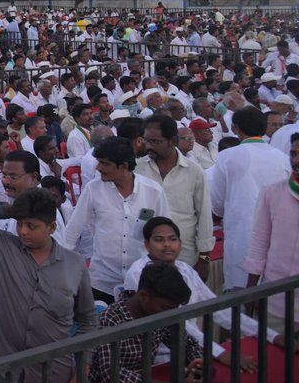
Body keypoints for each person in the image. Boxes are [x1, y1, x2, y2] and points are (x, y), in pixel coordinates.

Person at [0, 188, 97, 383]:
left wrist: (82, 371)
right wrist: (11, 209)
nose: (22, 231)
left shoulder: (75, 264)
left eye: (31, 225)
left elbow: (88, 320)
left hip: (53, 370)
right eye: (20, 223)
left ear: (52, 228)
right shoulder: (2, 246)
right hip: (3, 369)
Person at [123, 217, 283, 369]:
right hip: (158, 357)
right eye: (159, 240)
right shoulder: (138, 273)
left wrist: (269, 334)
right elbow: (174, 322)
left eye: (172, 239)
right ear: (146, 245)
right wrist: (219, 353)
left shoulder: (185, 269)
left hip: (193, 348)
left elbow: (216, 307)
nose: (167, 245)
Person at [59, 137, 169, 302]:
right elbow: (73, 230)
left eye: (104, 163)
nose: (98, 168)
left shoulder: (153, 192)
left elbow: (165, 233)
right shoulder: (93, 189)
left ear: (123, 166)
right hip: (102, 282)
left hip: (142, 282)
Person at [207, 106, 291, 290]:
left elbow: (217, 204)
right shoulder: (283, 158)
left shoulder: (227, 157)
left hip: (242, 234)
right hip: (277, 235)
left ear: (236, 128)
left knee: (242, 298)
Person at [89, 262, 203, 383]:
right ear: (143, 296)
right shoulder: (111, 319)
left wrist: (198, 366)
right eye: (166, 308)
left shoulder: (162, 314)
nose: (171, 314)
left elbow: (188, 344)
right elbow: (111, 374)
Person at [136, 113, 215, 272]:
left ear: (173, 141)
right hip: (144, 256)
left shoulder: (194, 172)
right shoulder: (137, 169)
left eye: (155, 141)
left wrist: (204, 259)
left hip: (185, 257)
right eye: (146, 140)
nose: (149, 146)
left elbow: (204, 215)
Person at [245, 132, 299, 335]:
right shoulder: (272, 192)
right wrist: (252, 290)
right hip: (276, 298)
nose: (296, 160)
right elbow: (259, 241)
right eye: (293, 154)